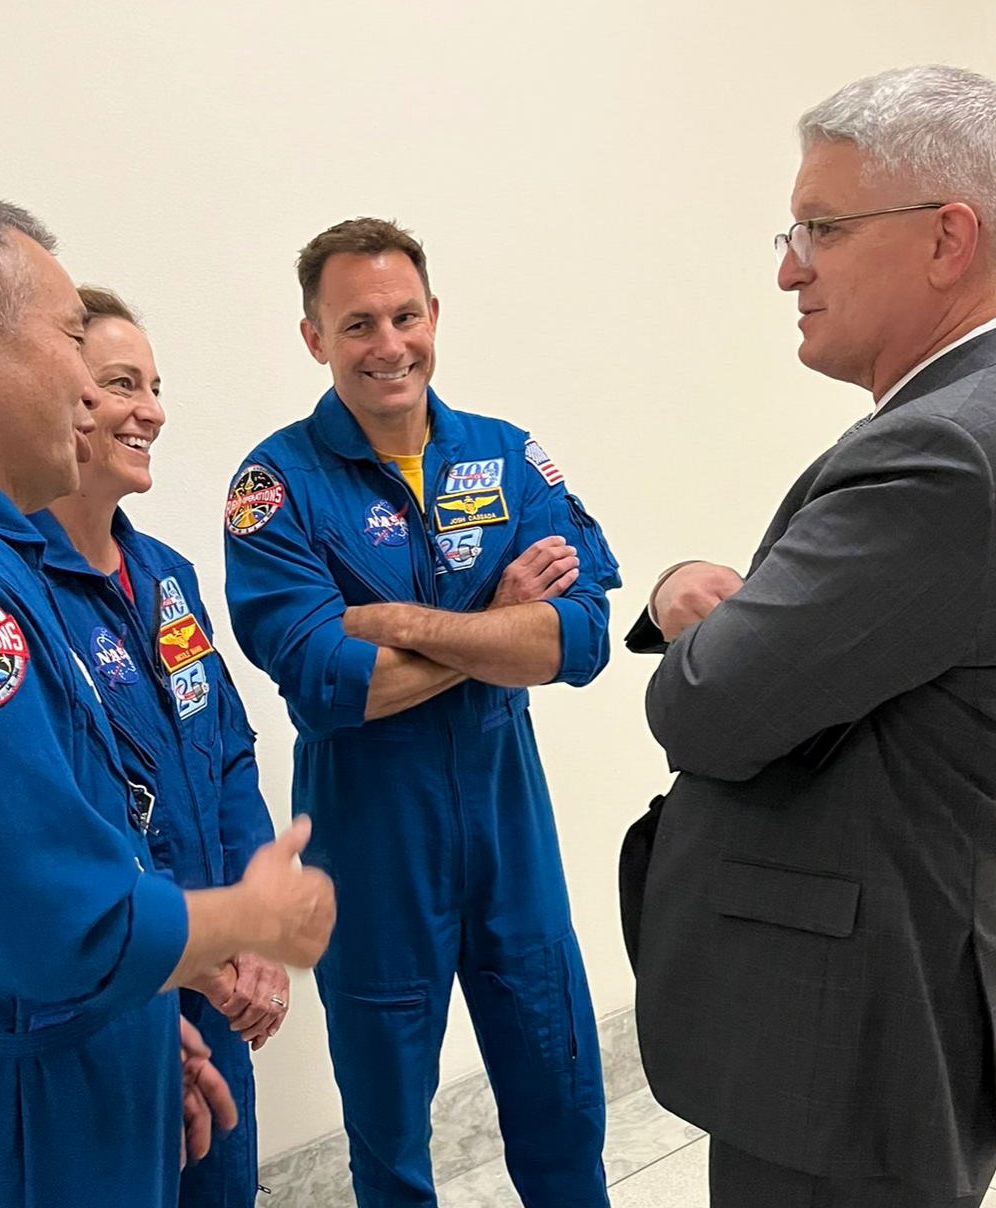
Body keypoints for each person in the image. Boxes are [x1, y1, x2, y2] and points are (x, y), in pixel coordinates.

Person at [0, 184, 334, 1208]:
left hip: (72, 1062)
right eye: (73, 339)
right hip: (13, 1127)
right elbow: (47, 920)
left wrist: (130, 1015)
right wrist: (250, 915)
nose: (92, 387)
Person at [622, 66, 996, 1207]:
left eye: (821, 229)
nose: (789, 266)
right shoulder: (994, 413)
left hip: (848, 1034)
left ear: (946, 238)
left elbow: (706, 709)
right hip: (890, 991)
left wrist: (701, 612)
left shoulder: (944, 450)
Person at [222, 218, 621, 1208]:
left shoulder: (506, 455)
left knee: (562, 1108)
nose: (387, 343)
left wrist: (411, 623)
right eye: (357, 322)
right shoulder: (273, 488)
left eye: (404, 315)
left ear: (433, 315)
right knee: (391, 1143)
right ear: (314, 336)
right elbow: (329, 680)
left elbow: (574, 641)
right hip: (370, 847)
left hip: (508, 833)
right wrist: (494, 620)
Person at [30, 285, 287, 1207]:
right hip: (113, 991)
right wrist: (204, 960)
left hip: (219, 977)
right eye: (120, 383)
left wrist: (252, 931)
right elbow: (60, 830)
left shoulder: (165, 578)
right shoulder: (14, 596)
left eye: (154, 385)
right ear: (64, 397)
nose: (152, 410)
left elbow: (226, 756)